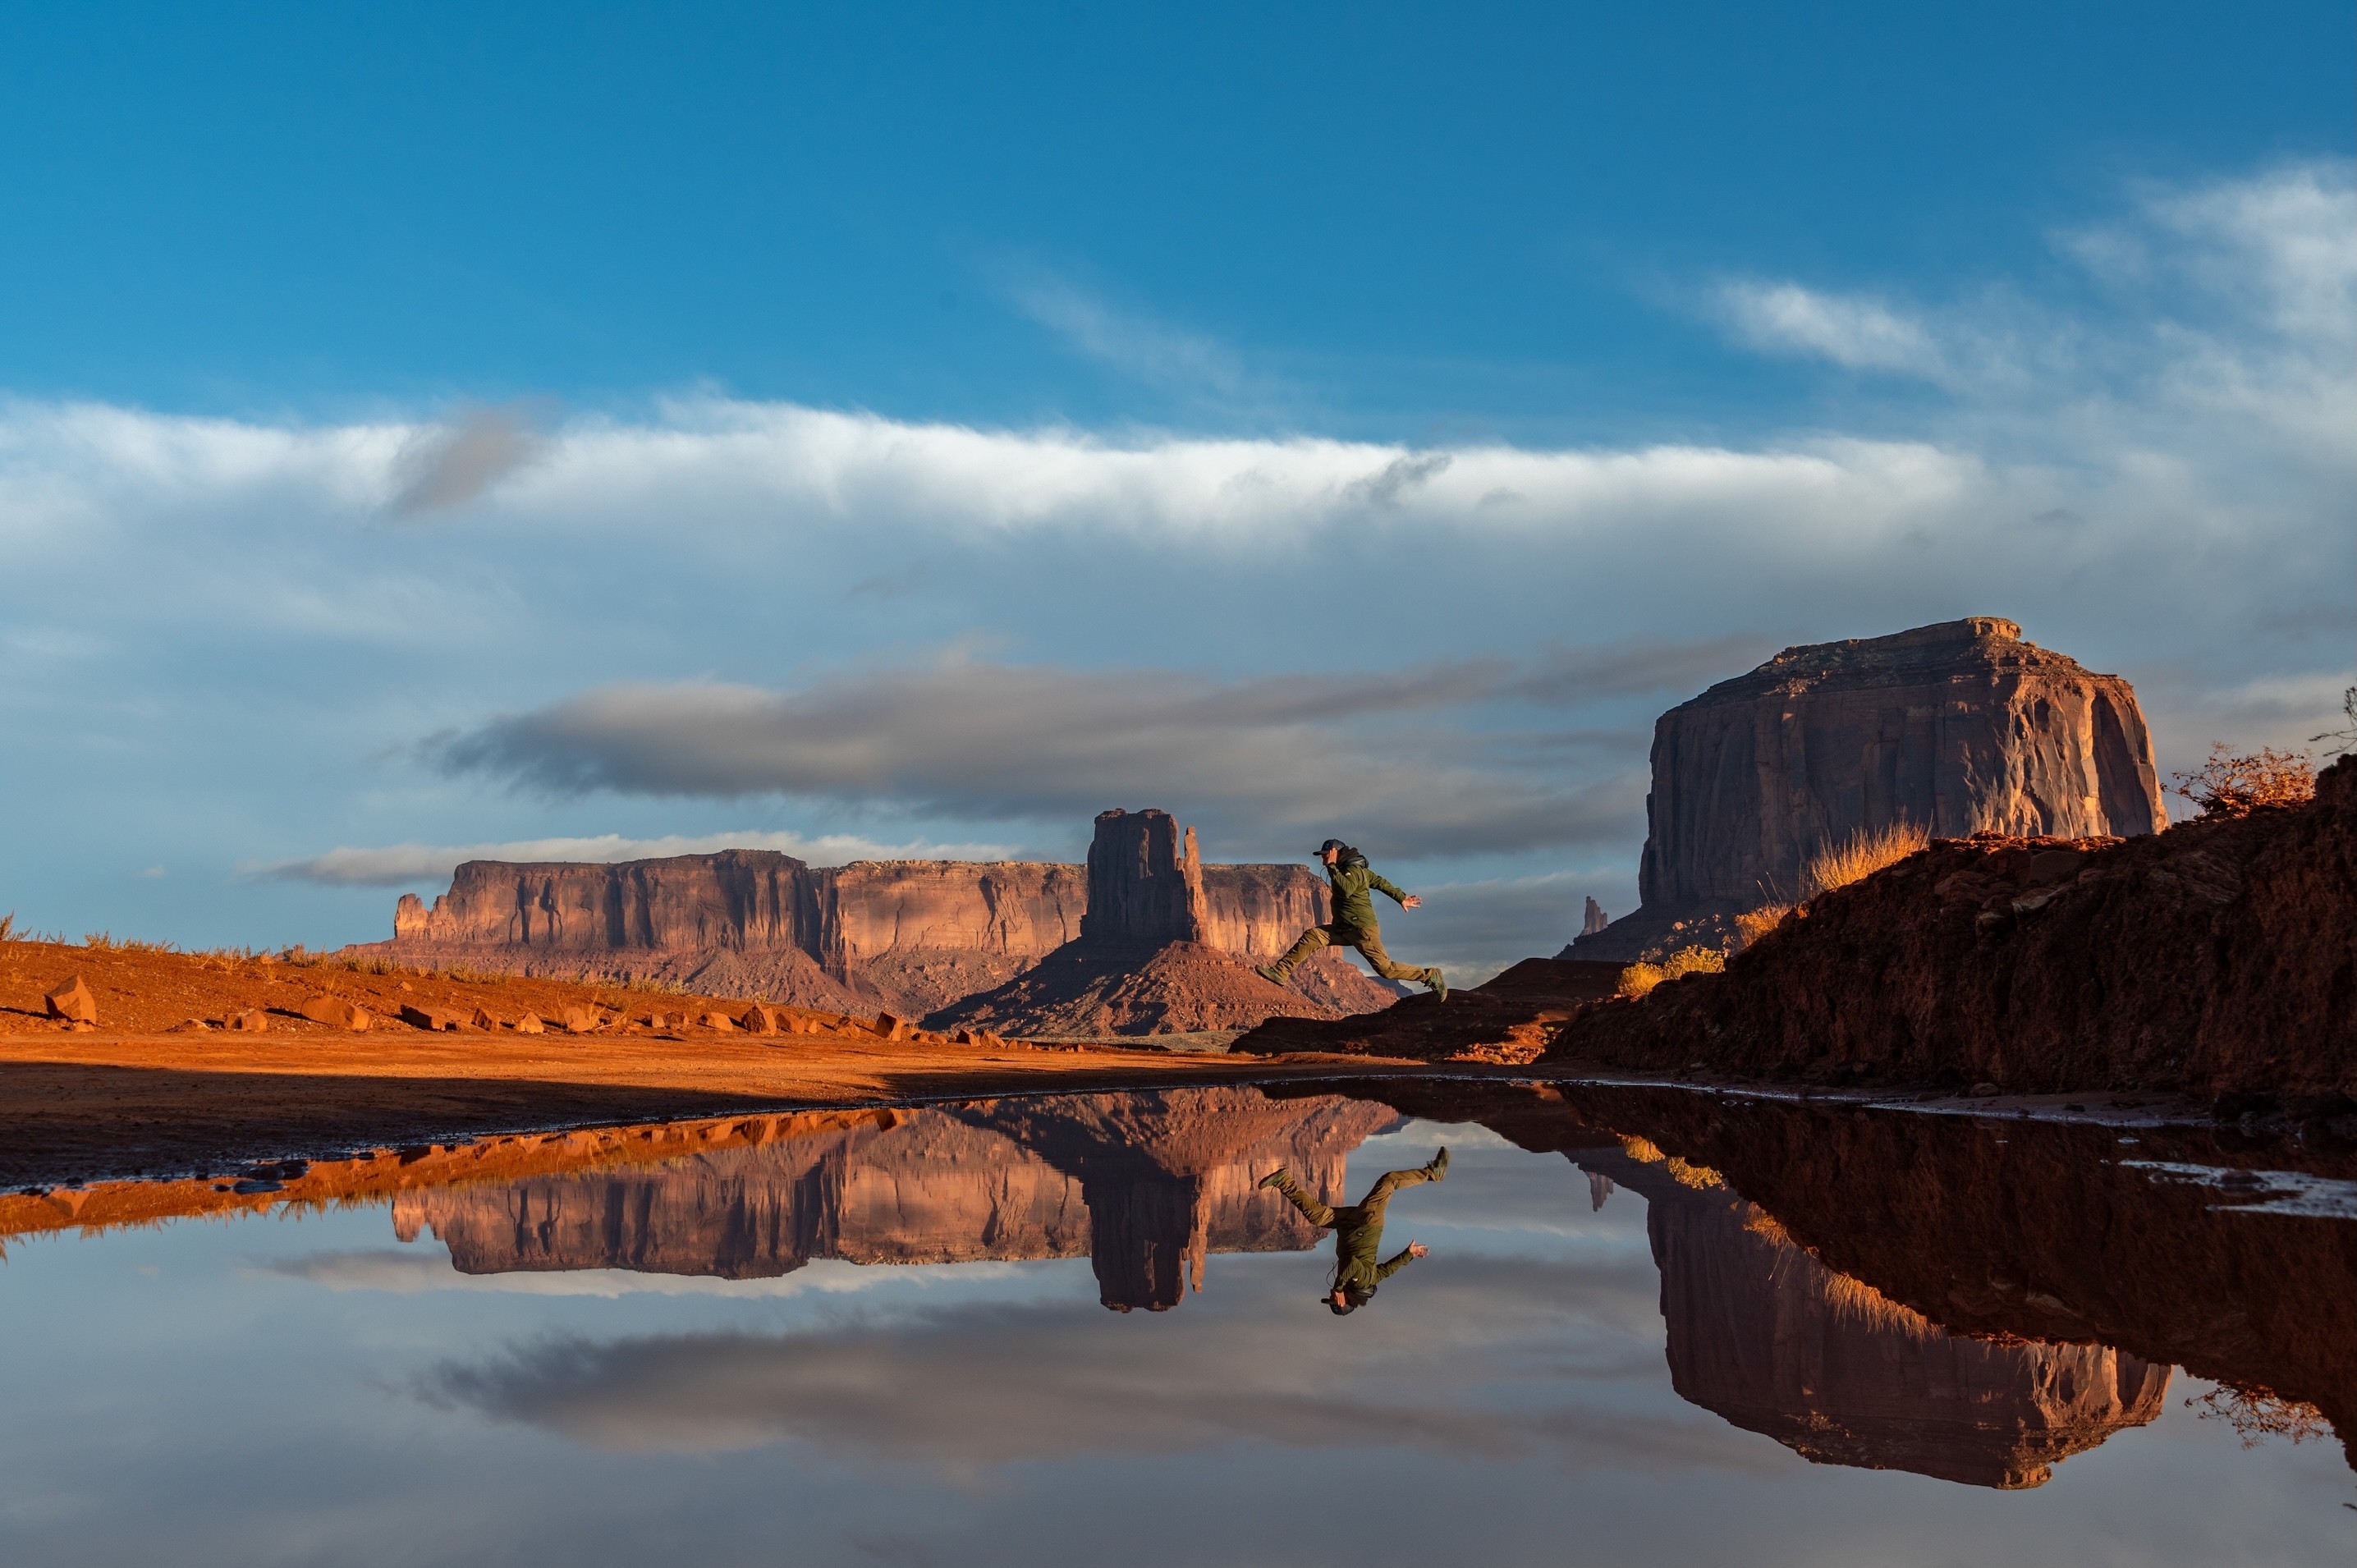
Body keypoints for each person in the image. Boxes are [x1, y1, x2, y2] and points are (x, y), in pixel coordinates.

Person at [1257, 1147, 1448, 1314]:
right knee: (1389, 1181)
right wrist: (1338, 1287)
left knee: (1317, 1216)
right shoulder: (1359, 1283)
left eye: (1331, 1296)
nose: (1332, 1294)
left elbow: (1389, 1270)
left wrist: (1409, 1254)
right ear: (1346, 1300)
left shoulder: (1369, 1281)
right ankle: (1433, 1174)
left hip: (1349, 1226)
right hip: (1367, 1222)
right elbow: (1354, 1266)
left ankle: (1284, 1181)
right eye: (1334, 1298)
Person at [1257, 838, 1447, 1000]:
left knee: (1385, 970)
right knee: (1313, 936)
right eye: (1323, 857)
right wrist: (1401, 897)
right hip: (1343, 928)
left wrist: (1332, 867)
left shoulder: (1352, 871)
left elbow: (1345, 889)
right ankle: (1281, 972)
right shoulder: (1355, 870)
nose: (1323, 860)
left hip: (1361, 929)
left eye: (1326, 855)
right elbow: (1380, 882)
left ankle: (1429, 975)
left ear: (1335, 853)